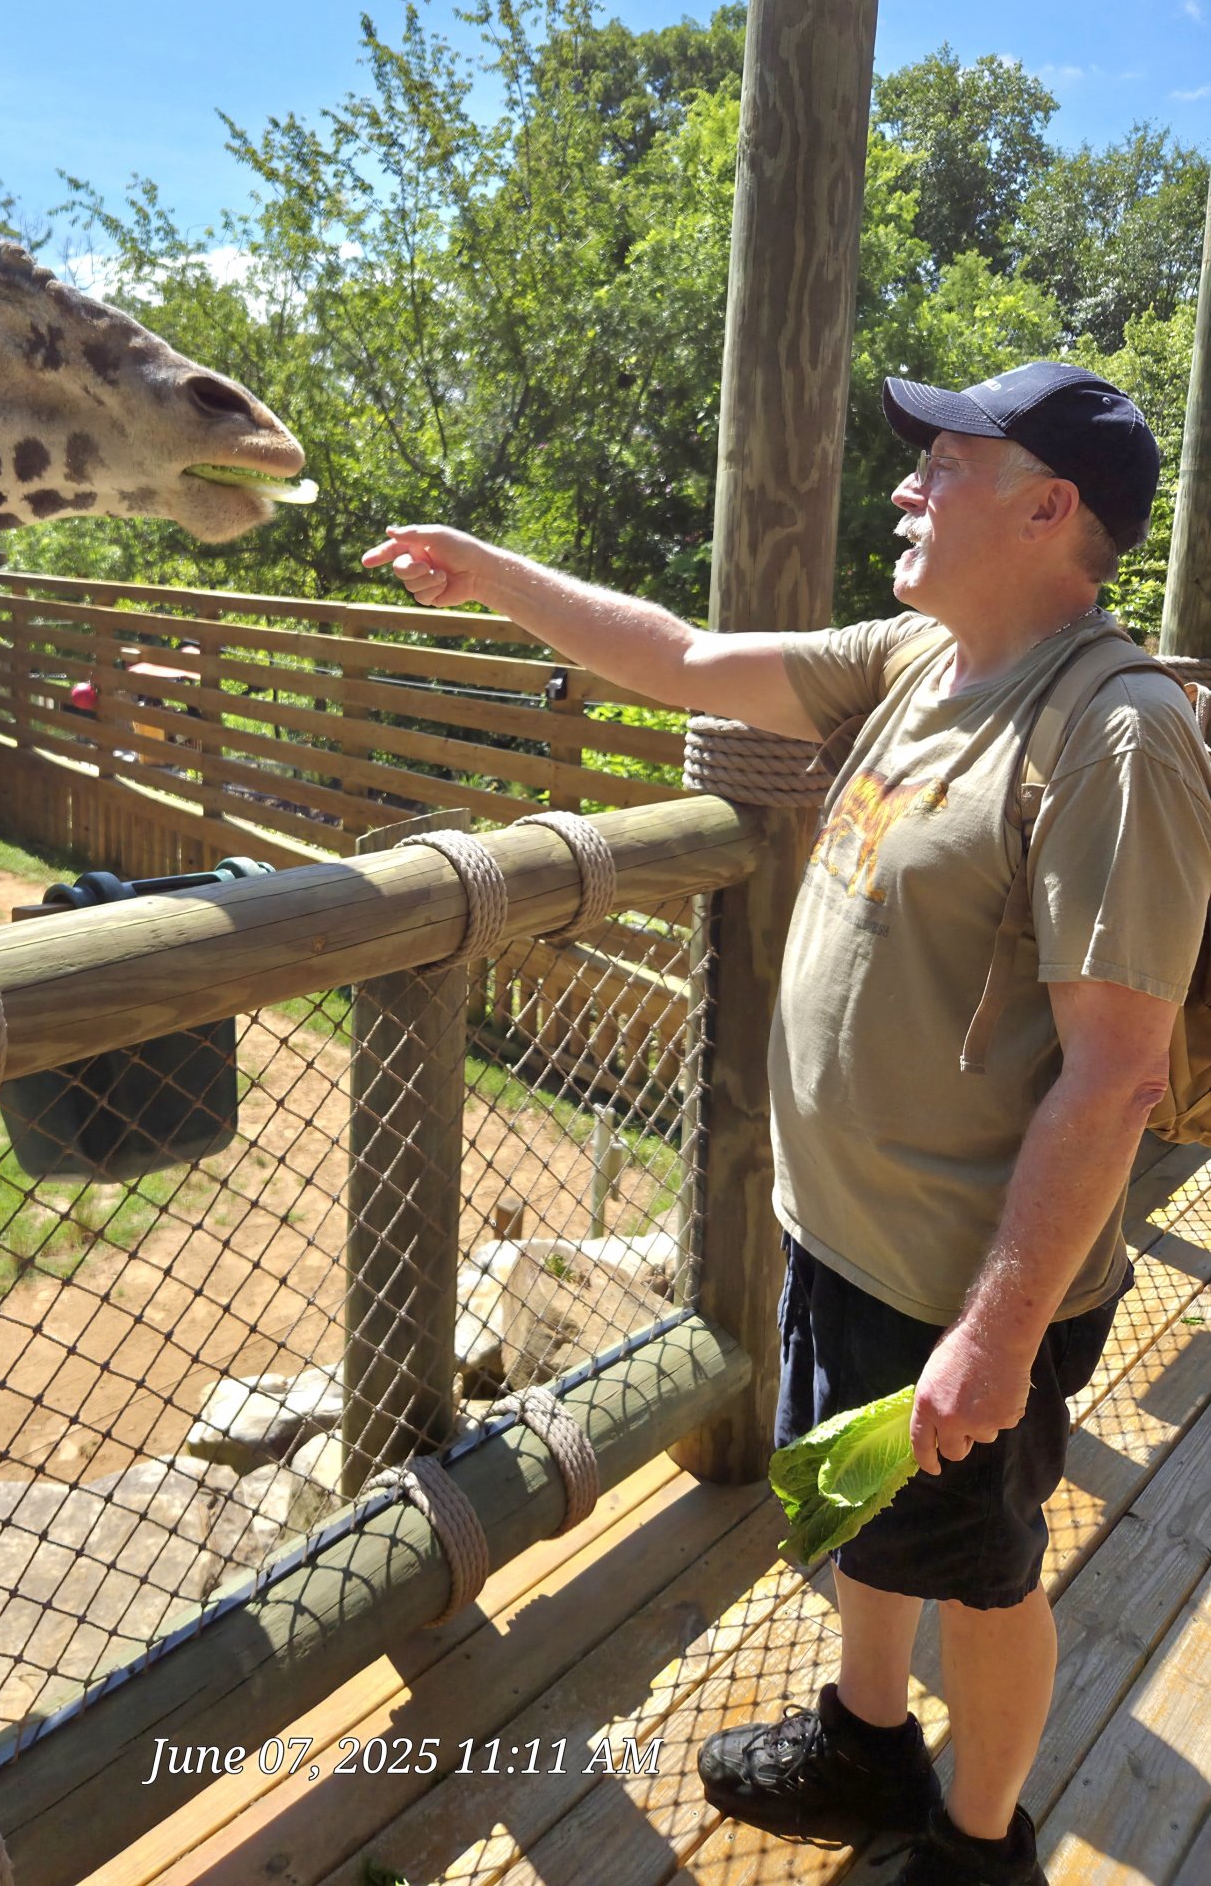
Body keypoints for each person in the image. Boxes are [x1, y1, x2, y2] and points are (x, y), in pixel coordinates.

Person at [363, 362, 1211, 1886]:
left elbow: (1114, 1075)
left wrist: (998, 1340)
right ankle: (866, 1739)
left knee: (988, 1577)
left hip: (963, 1282)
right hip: (844, 1234)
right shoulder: (914, 656)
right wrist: (491, 574)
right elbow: (682, 655)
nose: (906, 484)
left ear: (1048, 507)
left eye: (942, 462)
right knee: (859, 1516)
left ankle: (977, 1842)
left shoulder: (1116, 733)